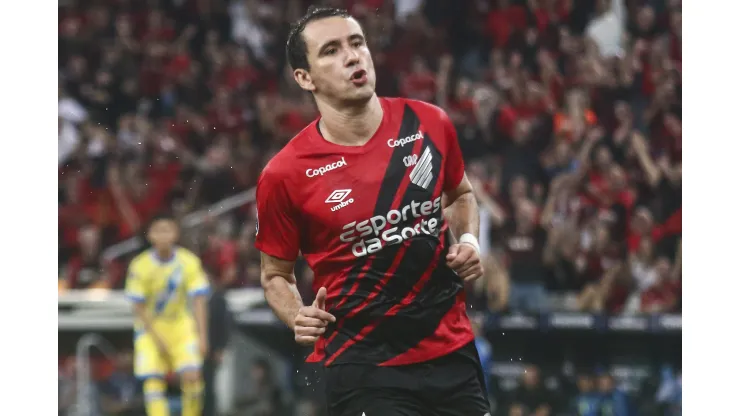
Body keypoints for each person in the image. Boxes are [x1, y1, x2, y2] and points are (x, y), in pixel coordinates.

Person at [254, 6, 489, 416]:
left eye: (356, 42)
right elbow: (275, 275)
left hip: (451, 352)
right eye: (330, 50)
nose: (351, 56)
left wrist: (468, 239)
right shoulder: (285, 173)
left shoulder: (429, 123)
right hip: (362, 365)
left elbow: (460, 195)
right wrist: (296, 316)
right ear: (304, 78)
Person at [124, 212, 210, 416]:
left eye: (167, 230)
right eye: (158, 231)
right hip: (150, 328)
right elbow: (139, 307)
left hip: (181, 326)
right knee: (153, 381)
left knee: (192, 376)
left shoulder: (189, 262)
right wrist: (157, 337)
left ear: (175, 234)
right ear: (150, 235)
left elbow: (199, 300)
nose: (163, 235)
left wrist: (203, 336)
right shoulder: (139, 265)